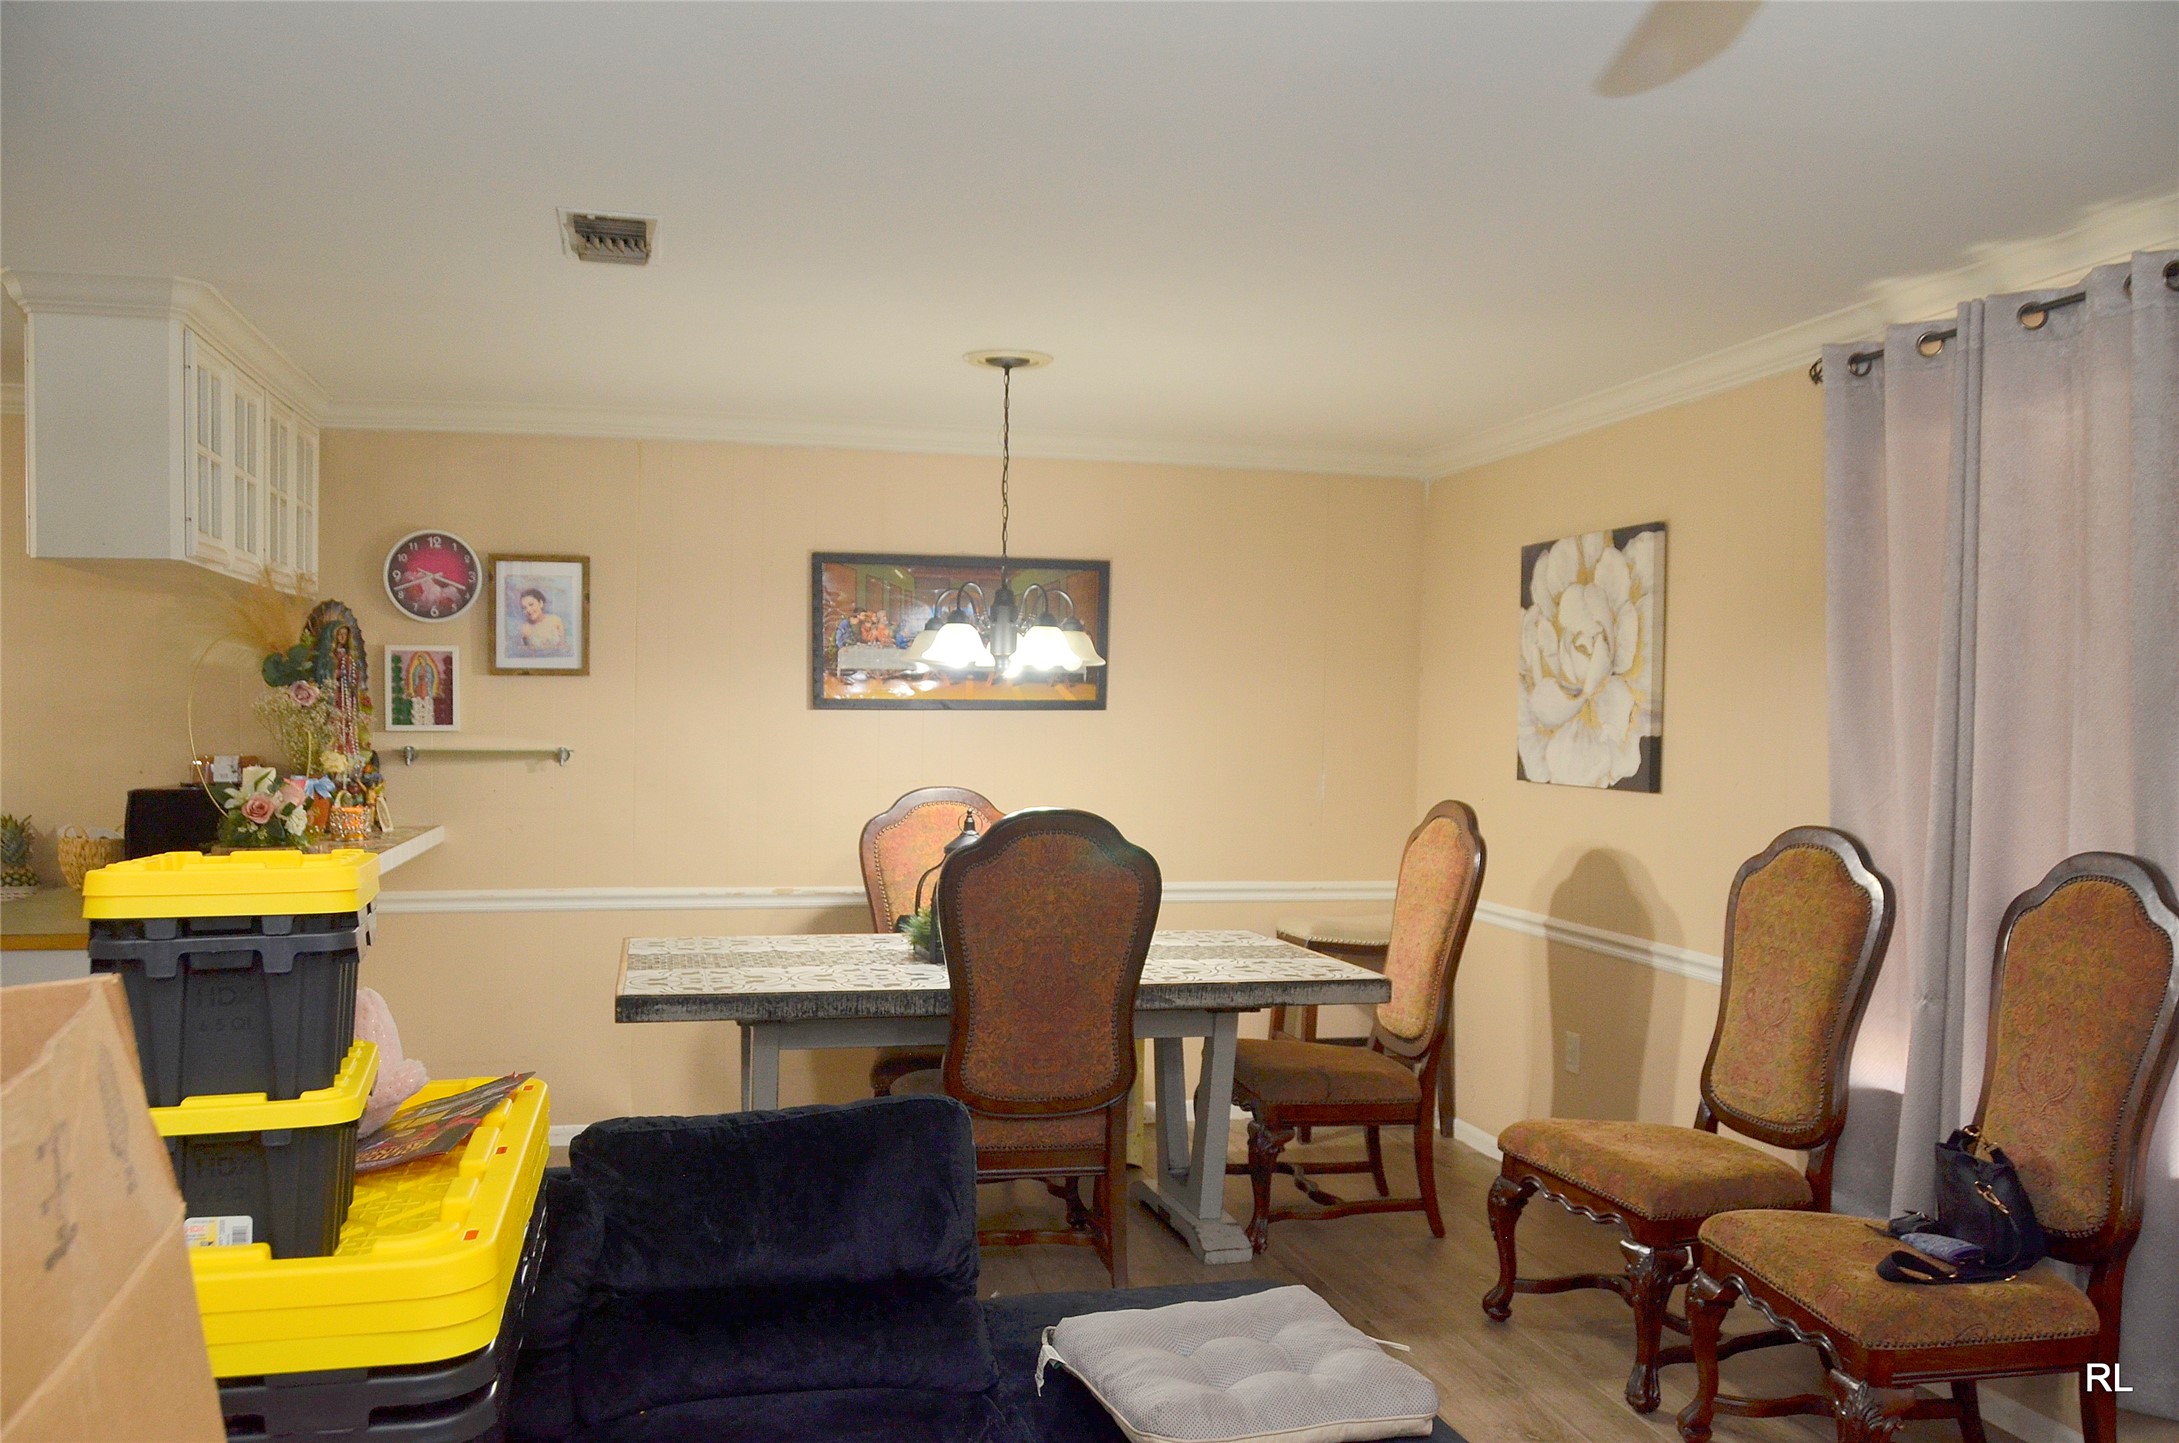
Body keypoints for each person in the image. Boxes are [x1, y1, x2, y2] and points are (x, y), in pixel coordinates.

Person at [517, 588, 569, 655]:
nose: (528, 610)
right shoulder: (524, 629)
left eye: (531, 604)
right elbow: (521, 654)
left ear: (540, 603)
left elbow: (563, 646)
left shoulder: (555, 620)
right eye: (524, 608)